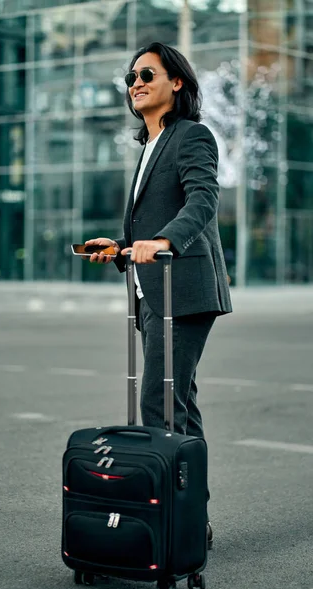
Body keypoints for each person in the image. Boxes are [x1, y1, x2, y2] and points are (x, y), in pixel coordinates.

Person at [83, 42, 232, 548]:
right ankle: (192, 519)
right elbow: (152, 222)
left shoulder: (192, 136)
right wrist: (124, 247)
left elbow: (203, 200)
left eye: (147, 73)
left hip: (185, 286)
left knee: (159, 401)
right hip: (153, 291)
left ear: (178, 83)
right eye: (130, 78)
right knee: (178, 404)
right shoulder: (149, 146)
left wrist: (166, 241)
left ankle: (182, 520)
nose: (136, 83)